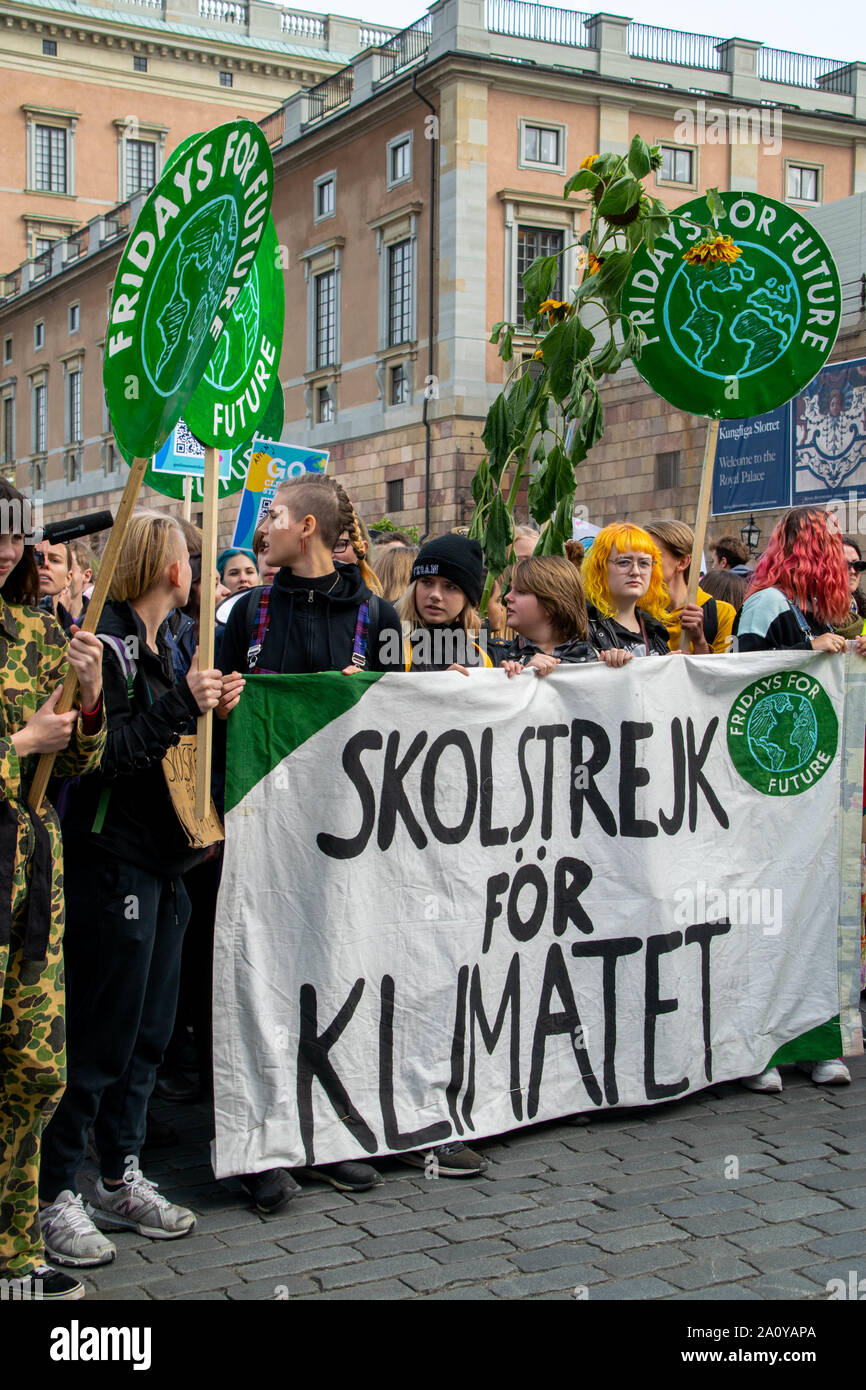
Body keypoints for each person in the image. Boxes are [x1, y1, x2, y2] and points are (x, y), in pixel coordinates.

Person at [38, 511, 223, 1268]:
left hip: (167, 864)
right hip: (110, 861)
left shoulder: (168, 642)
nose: (197, 569)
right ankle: (54, 1193)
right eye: (190, 556)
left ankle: (119, 1173)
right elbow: (102, 757)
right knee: (101, 1038)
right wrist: (183, 704)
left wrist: (208, 705)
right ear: (170, 569)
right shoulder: (101, 646)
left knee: (148, 1034)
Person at [217, 474, 404, 1208]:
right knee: (261, 977)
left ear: (311, 529)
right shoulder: (248, 612)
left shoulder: (377, 614)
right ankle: (263, 1142)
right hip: (262, 827)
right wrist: (224, 701)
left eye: (274, 514)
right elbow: (215, 707)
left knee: (339, 971)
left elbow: (406, 720)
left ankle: (327, 1132)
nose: (262, 526)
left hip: (350, 833)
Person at [0, 478, 106, 1300]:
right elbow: (26, 748)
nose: (8, 548)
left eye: (14, 535)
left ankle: (12, 1252)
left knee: (34, 1072)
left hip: (34, 881)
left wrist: (88, 702)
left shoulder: (36, 627)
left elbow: (72, 762)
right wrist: (16, 745)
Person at [733, 506, 862, 1092]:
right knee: (770, 914)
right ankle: (761, 1045)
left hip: (815, 784)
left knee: (816, 909)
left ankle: (818, 1042)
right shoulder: (767, 604)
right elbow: (750, 678)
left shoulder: (821, 611)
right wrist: (813, 649)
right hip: (773, 782)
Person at [397, 534, 493, 671]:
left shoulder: (481, 658)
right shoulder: (390, 644)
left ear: (468, 598)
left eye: (451, 586)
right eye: (427, 582)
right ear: (414, 587)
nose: (435, 595)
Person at [644, 520, 736, 654]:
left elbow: (723, 672)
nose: (640, 564)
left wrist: (699, 642)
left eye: (653, 556)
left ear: (682, 562)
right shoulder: (636, 614)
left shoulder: (722, 614)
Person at [497, 556, 599, 677]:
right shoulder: (499, 655)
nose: (507, 597)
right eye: (510, 589)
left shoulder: (595, 658)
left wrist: (618, 664)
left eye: (520, 591)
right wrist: (521, 677)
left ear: (551, 603)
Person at [582, 523, 671, 657]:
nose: (635, 572)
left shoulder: (655, 629)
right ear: (600, 567)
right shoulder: (581, 625)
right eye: (623, 562)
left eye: (644, 563)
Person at [36, 538, 75, 634]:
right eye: (37, 557)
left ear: (68, 578)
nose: (45, 564)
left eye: (55, 560)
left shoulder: (76, 631)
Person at [835, 535, 866, 640]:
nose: (853, 571)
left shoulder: (863, 613)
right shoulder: (810, 612)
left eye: (858, 565)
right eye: (844, 565)